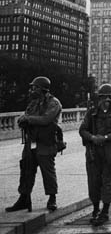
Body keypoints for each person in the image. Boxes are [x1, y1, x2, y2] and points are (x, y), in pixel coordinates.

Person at [6, 76, 62, 213]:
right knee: (26, 169)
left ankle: (52, 198)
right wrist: (23, 120)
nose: (31, 90)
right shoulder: (33, 103)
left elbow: (46, 119)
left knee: (47, 171)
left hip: (46, 142)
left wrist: (28, 119)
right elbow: (25, 116)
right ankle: (24, 198)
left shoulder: (54, 103)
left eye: (34, 87)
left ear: (42, 88)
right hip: (31, 142)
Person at [79, 83, 111, 226]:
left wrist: (104, 138)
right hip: (93, 152)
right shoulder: (92, 112)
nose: (107, 101)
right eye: (103, 98)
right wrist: (92, 138)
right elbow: (82, 130)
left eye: (110, 98)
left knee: (106, 181)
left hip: (109, 152)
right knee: (93, 182)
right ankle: (95, 209)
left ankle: (104, 211)